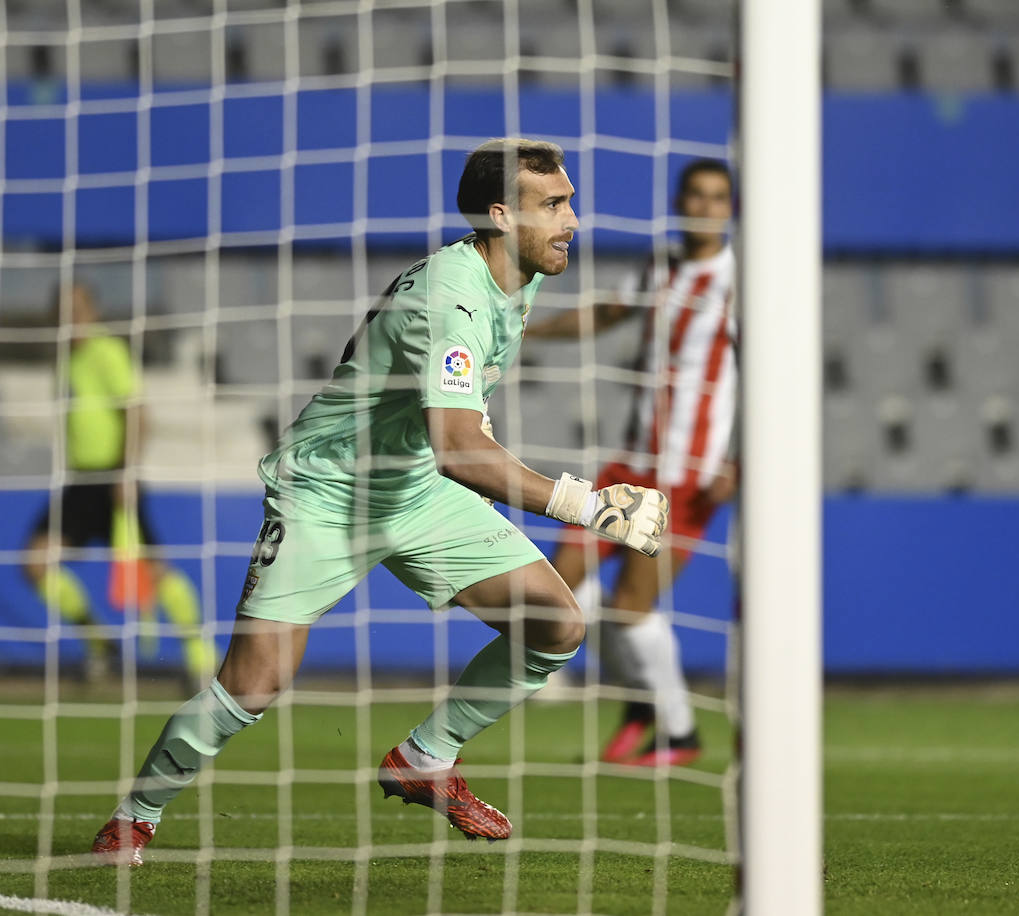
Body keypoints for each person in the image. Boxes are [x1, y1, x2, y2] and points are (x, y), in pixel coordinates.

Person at [90, 138, 668, 866]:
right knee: (255, 683)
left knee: (554, 623)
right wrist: (589, 507)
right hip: (331, 493)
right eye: (553, 205)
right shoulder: (449, 296)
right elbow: (460, 446)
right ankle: (133, 817)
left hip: (417, 486)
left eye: (570, 202)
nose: (571, 221)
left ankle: (426, 759)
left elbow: (454, 429)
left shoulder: (523, 271)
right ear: (499, 215)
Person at [524, 159, 737, 767]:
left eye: (717, 197)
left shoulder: (742, 282)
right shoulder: (662, 268)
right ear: (680, 201)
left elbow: (775, 372)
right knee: (564, 587)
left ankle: (680, 732)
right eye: (695, 194)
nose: (704, 205)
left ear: (730, 208)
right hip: (631, 463)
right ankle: (642, 706)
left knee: (631, 607)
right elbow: (606, 314)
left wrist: (740, 461)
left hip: (687, 474)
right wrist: (526, 331)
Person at [24, 281, 214, 687]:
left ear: (92, 312)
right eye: (63, 310)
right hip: (80, 482)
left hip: (113, 477)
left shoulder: (107, 351)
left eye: (77, 309)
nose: (70, 318)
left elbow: (137, 412)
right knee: (36, 562)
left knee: (152, 574)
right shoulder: (66, 360)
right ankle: (100, 645)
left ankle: (201, 659)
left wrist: (127, 471)